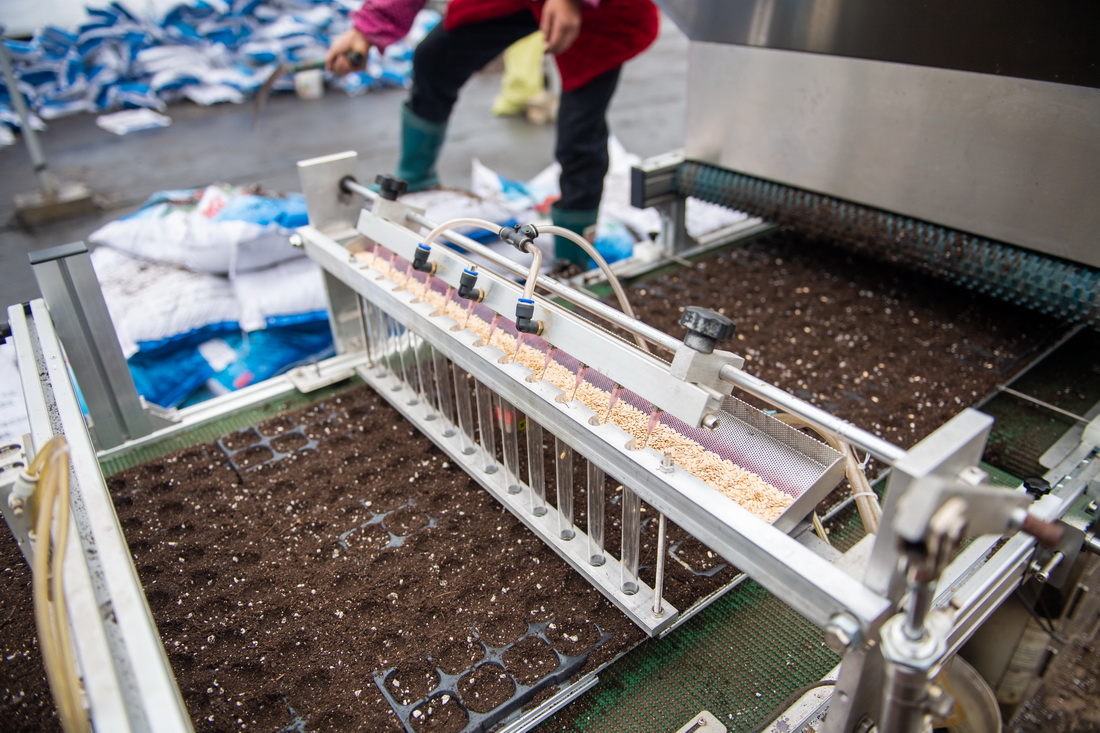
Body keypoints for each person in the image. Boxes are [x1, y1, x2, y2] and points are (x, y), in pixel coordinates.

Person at [325, 0, 659, 266]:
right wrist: (368, 29)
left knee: (579, 130)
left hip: (599, 8)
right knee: (435, 57)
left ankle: (573, 263)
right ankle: (417, 177)